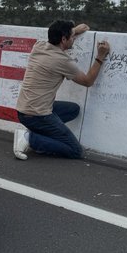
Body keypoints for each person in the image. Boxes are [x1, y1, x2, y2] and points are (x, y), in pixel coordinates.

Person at [13, 20, 110, 160]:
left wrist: (74, 30)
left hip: (23, 110)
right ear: (64, 39)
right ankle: (30, 138)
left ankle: (39, 134)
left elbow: (60, 37)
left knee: (73, 109)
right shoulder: (62, 61)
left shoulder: (39, 45)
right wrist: (100, 56)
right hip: (37, 115)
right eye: (72, 36)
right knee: (75, 151)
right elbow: (88, 81)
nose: (74, 38)